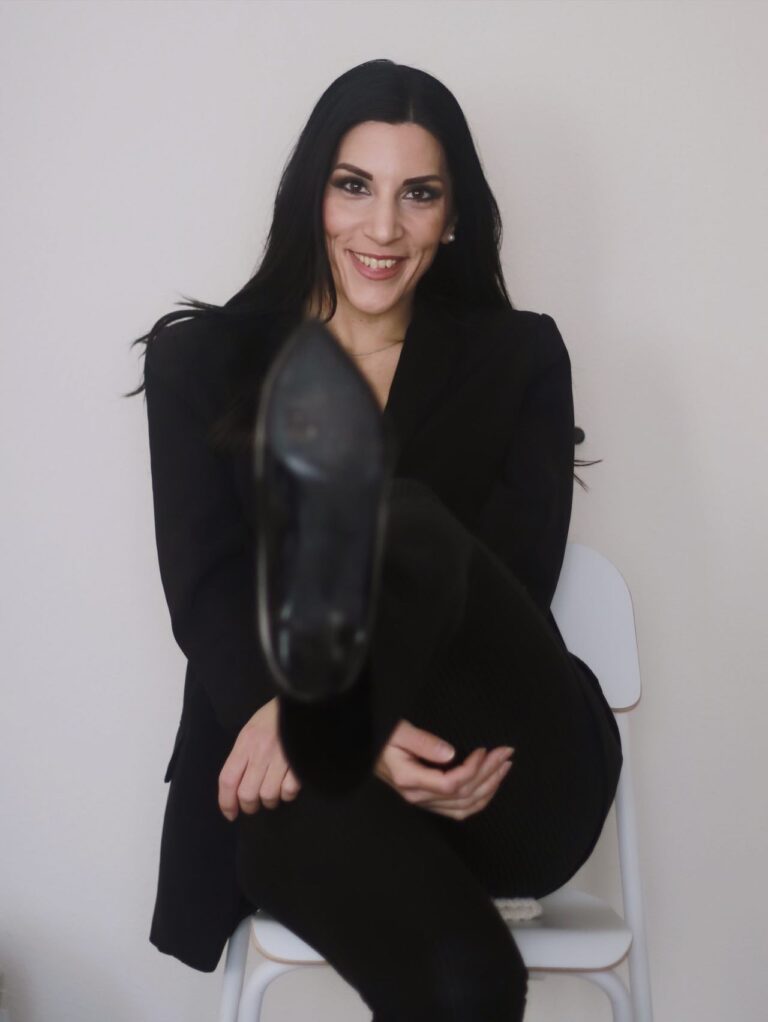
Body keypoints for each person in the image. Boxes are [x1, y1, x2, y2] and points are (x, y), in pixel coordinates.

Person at [127, 59, 623, 1021]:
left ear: (454, 216)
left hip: (498, 773)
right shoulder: (201, 362)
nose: (384, 228)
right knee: (466, 983)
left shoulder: (520, 357)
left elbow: (513, 578)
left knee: (401, 520)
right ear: (312, 195)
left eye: (419, 194)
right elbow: (208, 590)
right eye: (354, 186)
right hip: (305, 790)